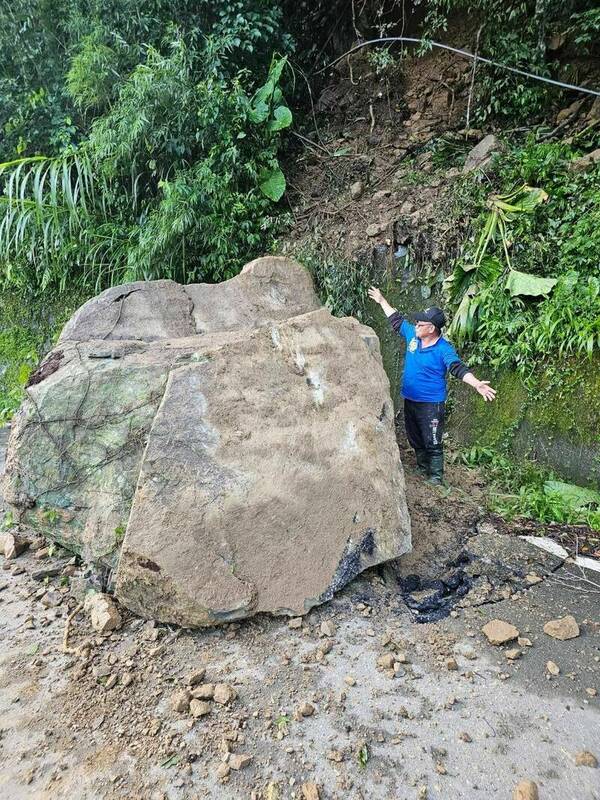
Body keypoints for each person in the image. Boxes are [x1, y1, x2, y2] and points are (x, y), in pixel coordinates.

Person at [368, 287, 496, 485]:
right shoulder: (412, 335)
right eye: (417, 322)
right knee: (414, 436)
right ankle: (422, 466)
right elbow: (396, 320)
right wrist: (381, 300)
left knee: (432, 440)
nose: (416, 325)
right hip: (410, 399)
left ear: (431, 329)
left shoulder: (443, 349)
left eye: (421, 323)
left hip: (431, 404)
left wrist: (476, 383)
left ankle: (435, 477)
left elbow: (457, 368)